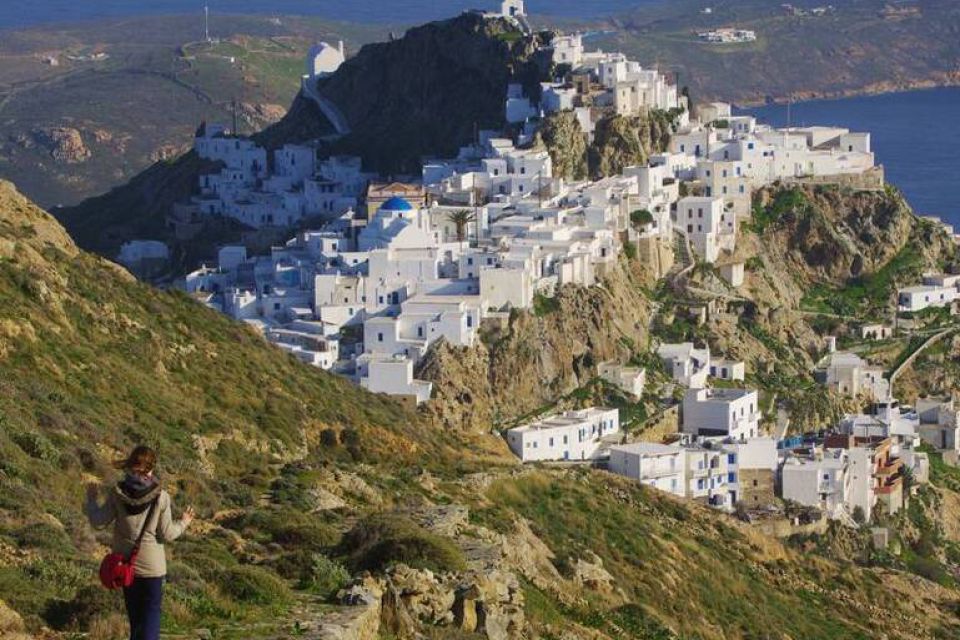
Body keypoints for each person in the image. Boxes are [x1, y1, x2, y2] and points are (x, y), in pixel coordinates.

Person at [85, 446, 195, 640]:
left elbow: (99, 522)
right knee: (150, 618)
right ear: (152, 468)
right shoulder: (161, 496)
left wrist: (92, 500)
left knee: (136, 622)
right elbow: (167, 534)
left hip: (126, 566)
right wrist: (184, 522)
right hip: (152, 569)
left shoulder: (117, 493)